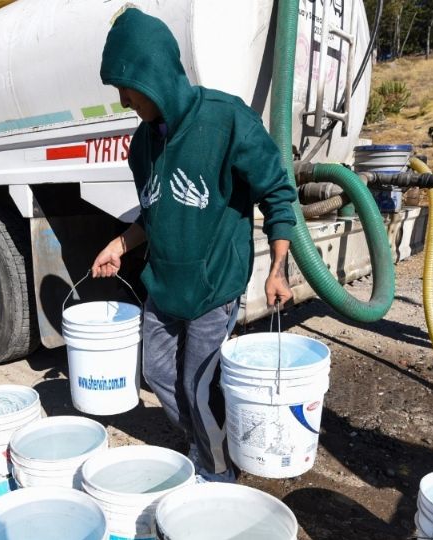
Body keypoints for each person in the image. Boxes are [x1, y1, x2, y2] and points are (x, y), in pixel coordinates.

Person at [92, 6, 298, 483]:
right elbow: (154, 212)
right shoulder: (140, 146)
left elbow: (277, 192)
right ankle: (207, 439)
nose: (123, 101)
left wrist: (278, 266)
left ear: (153, 75)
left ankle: (219, 471)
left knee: (197, 383)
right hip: (163, 287)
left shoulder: (226, 120)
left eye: (126, 88)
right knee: (159, 374)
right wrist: (119, 245)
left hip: (213, 286)